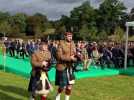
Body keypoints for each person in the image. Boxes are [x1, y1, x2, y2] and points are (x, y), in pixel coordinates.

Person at [55, 32, 77, 100]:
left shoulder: (73, 43)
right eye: (69, 36)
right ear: (65, 36)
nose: (70, 37)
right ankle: (57, 95)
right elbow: (59, 56)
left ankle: (66, 99)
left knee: (70, 85)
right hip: (62, 66)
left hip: (70, 67)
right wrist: (70, 58)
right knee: (62, 86)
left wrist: (78, 57)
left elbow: (75, 54)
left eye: (71, 36)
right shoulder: (61, 43)